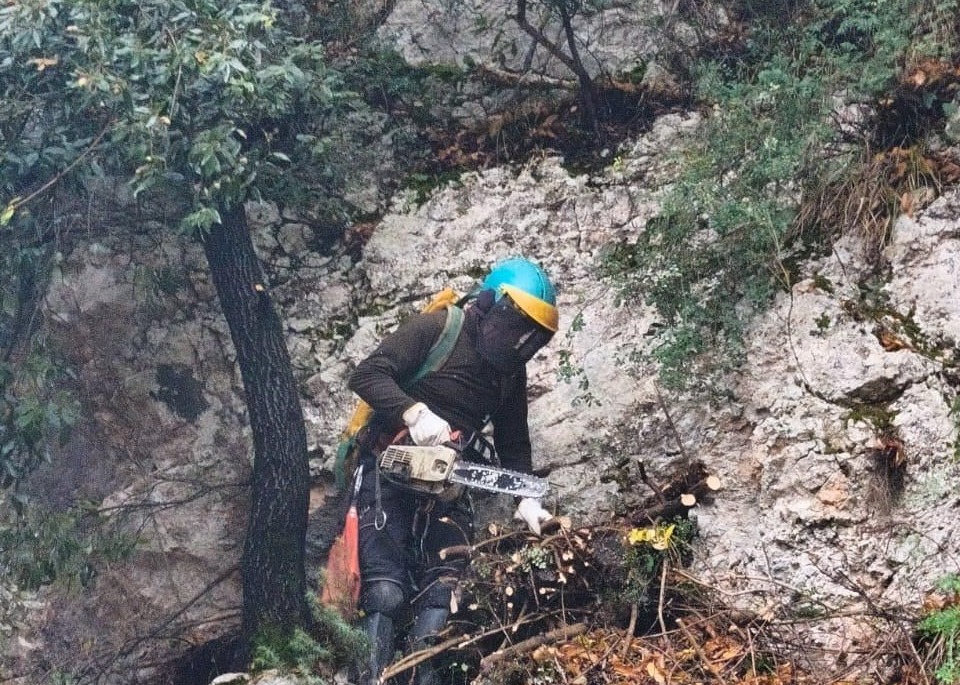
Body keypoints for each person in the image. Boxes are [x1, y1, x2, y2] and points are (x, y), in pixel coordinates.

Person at [346, 257, 559, 685]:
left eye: (528, 337)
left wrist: (527, 498)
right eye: (516, 326)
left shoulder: (509, 375)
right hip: (389, 471)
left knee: (442, 599)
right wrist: (413, 413)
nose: (519, 343)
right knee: (385, 592)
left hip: (447, 485)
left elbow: (513, 441)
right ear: (491, 304)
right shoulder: (440, 328)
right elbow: (367, 374)